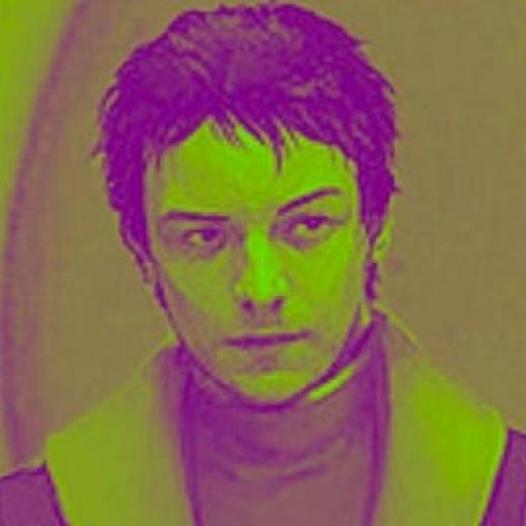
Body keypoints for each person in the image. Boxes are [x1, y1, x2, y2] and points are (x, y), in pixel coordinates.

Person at [0, 2, 525, 524]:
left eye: (308, 227)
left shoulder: (507, 495)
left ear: (375, 228)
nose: (260, 287)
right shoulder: (34, 512)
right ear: (145, 256)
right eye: (204, 238)